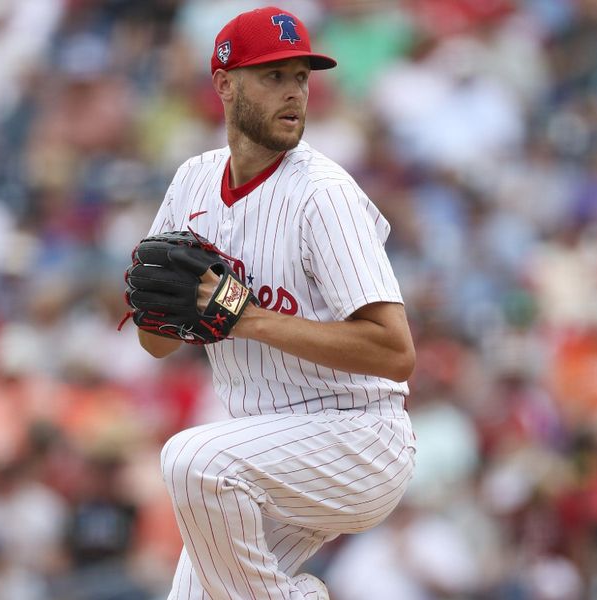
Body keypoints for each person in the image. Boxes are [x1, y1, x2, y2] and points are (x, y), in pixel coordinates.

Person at [137, 6, 417, 599]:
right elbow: (154, 340)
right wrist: (173, 309)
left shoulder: (324, 194)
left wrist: (246, 315)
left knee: (192, 458)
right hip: (267, 454)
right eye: (273, 76)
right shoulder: (192, 182)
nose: (294, 93)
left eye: (301, 77)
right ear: (223, 83)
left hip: (356, 439)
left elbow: (395, 352)